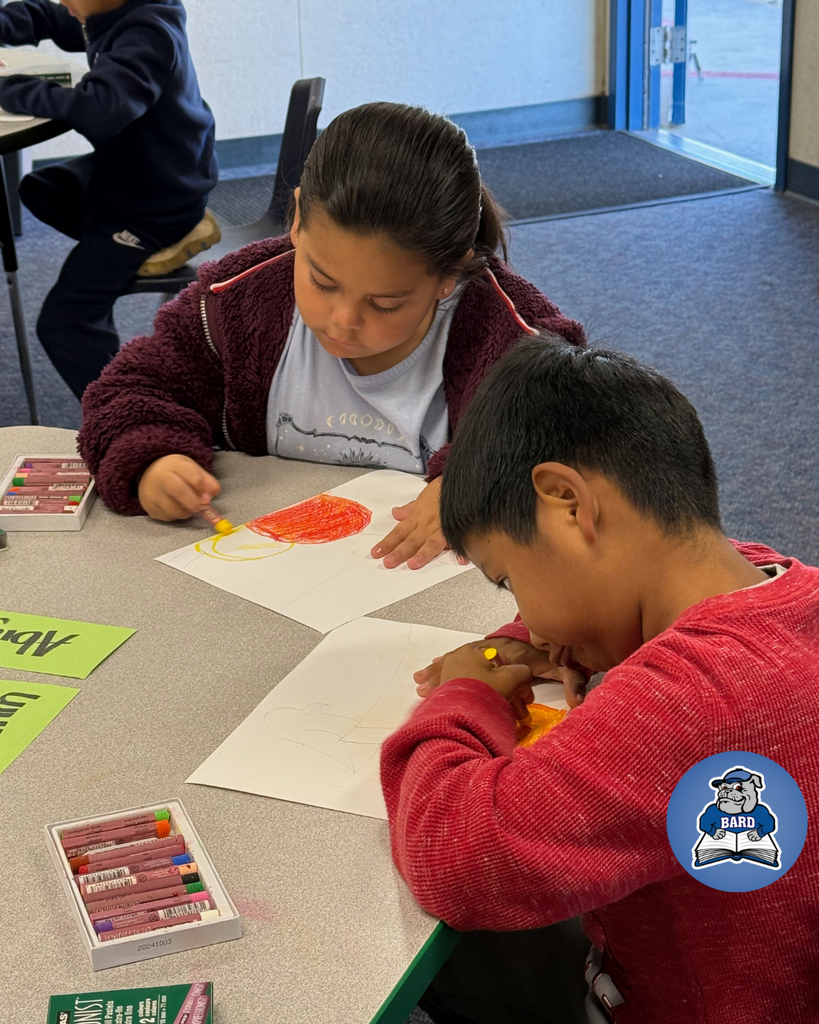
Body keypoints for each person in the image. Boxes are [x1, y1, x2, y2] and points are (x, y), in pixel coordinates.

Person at [381, 338, 819, 1024]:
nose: (518, 608)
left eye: (509, 580)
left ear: (565, 503)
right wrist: (523, 638)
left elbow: (454, 856)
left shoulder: (682, 704)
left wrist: (462, 695)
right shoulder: (784, 592)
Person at [79, 102, 584, 569]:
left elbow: (573, 433)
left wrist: (475, 485)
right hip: (268, 579)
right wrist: (151, 457)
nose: (342, 320)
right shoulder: (235, 302)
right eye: (321, 281)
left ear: (448, 276)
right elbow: (129, 391)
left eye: (386, 304)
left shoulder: (511, 337)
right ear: (297, 219)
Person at [0, 0, 219, 400]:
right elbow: (49, 17)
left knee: (64, 322)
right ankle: (118, 249)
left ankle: (130, 407)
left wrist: (12, 91)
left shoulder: (147, 34)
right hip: (149, 170)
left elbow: (99, 110)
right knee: (42, 189)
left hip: (159, 201)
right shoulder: (117, 13)